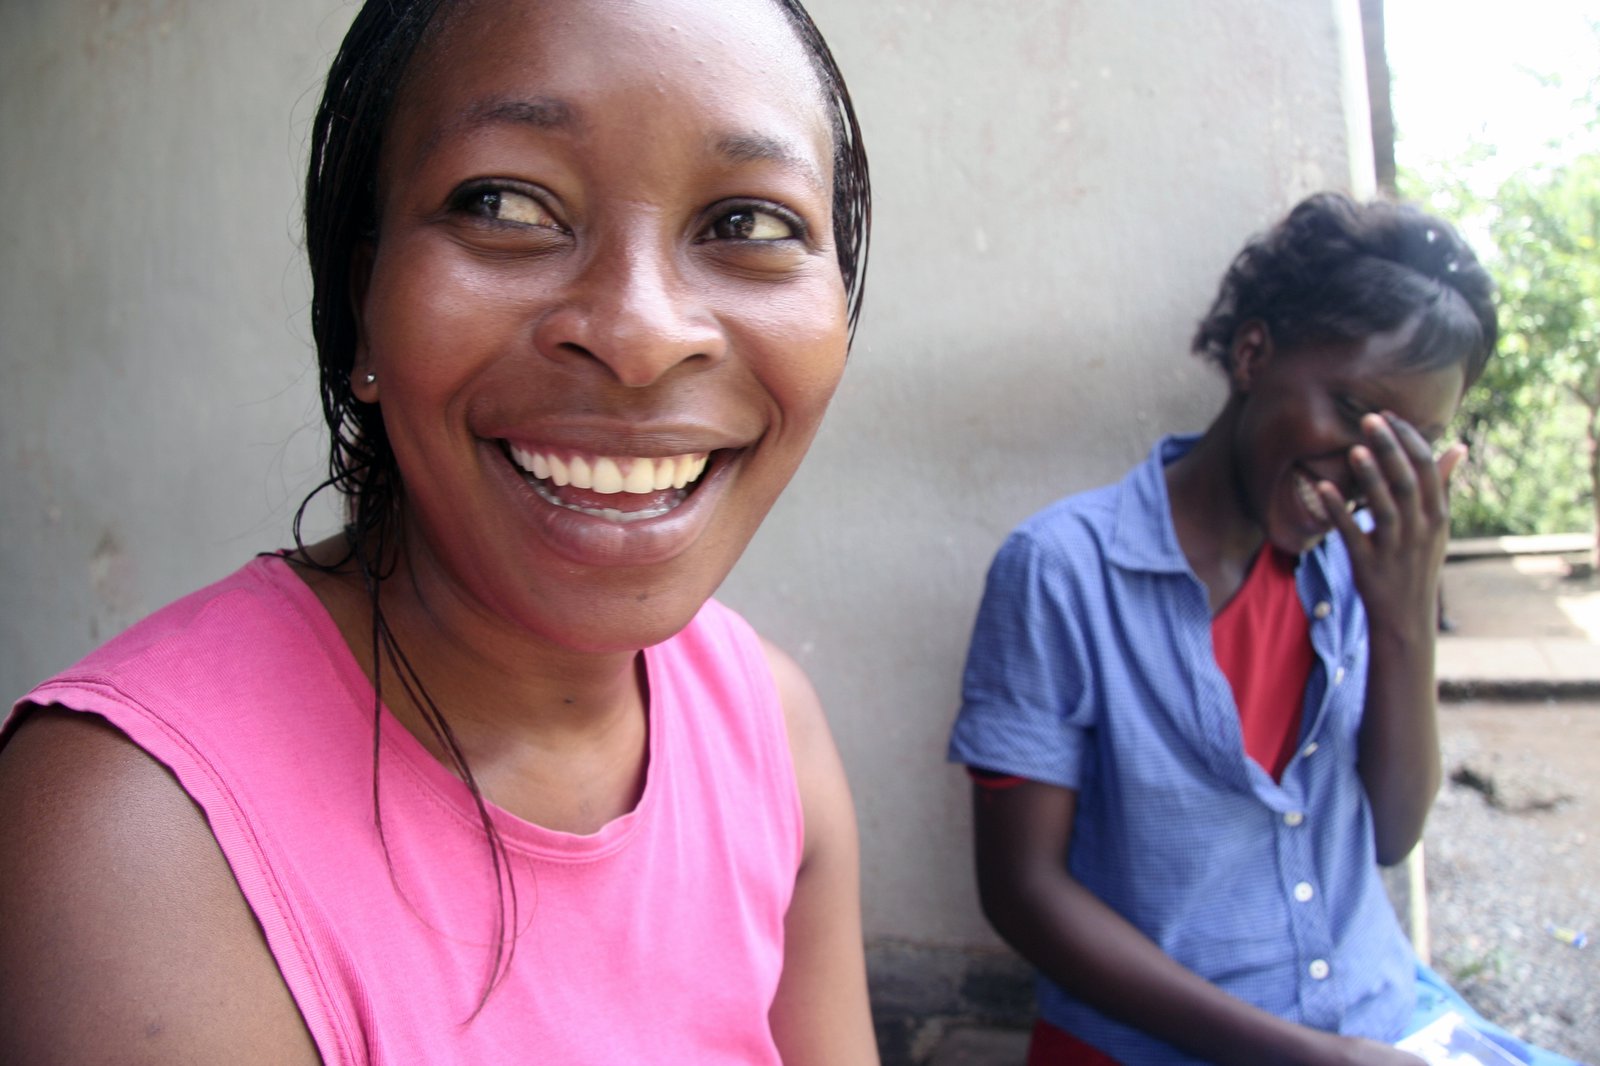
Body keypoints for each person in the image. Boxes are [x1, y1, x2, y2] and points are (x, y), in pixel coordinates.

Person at [0, 0, 876, 1062]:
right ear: (361, 292)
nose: (641, 337)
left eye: (747, 223)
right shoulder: (138, 831)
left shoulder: (765, 726)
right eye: (506, 202)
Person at [950, 194, 1577, 1065]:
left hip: (1381, 1014)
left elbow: (1394, 834)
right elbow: (1022, 893)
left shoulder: (1355, 574)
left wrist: (1403, 620)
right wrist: (1304, 1056)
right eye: (1353, 407)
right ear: (1253, 355)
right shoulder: (1062, 571)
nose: (1367, 469)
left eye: (1411, 445)